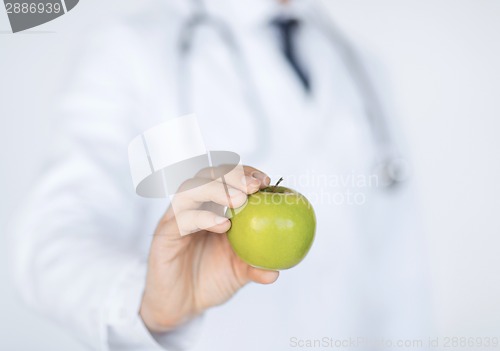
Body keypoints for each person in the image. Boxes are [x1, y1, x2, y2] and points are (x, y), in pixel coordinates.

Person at [10, 0, 431, 350]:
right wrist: (146, 301)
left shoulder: (361, 68)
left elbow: (398, 270)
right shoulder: (132, 50)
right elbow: (50, 244)